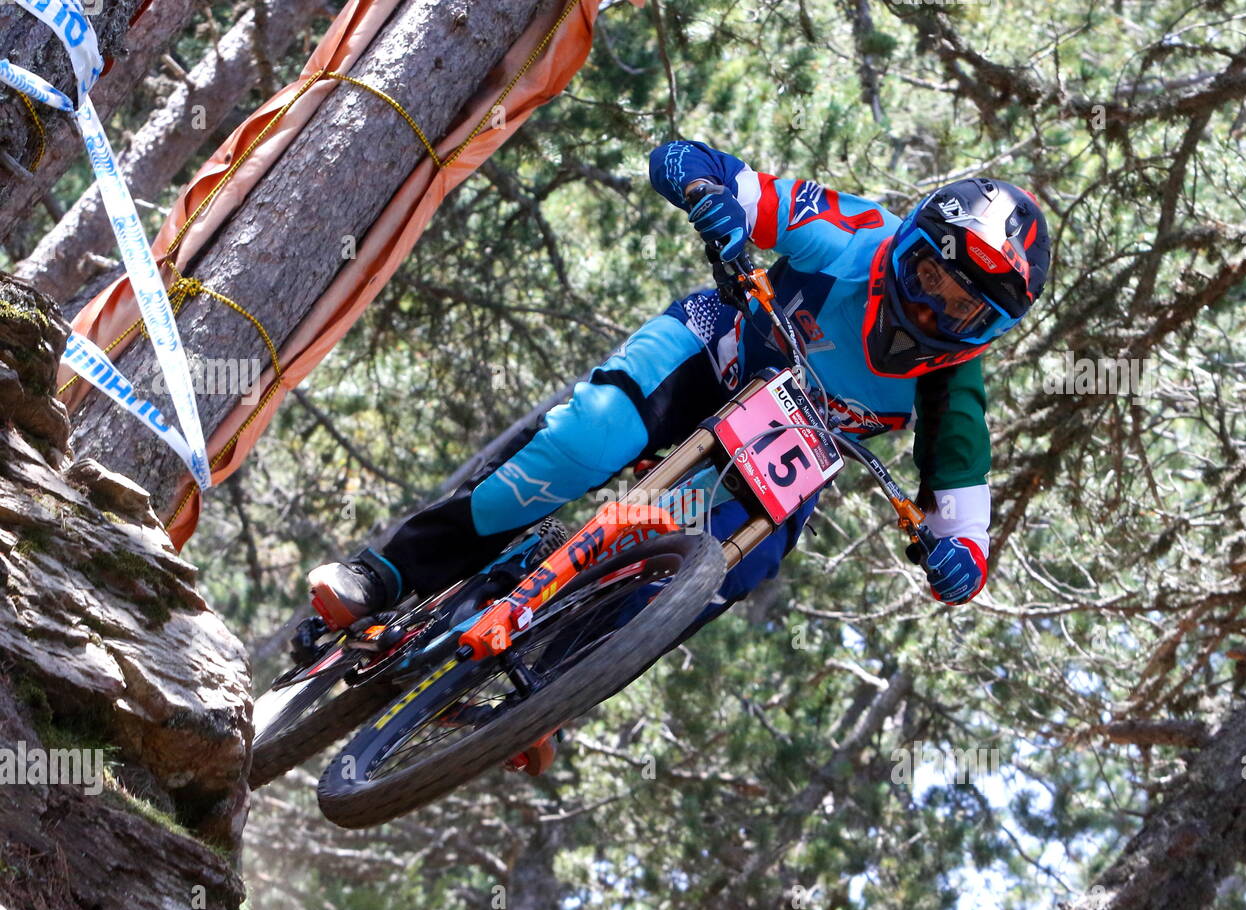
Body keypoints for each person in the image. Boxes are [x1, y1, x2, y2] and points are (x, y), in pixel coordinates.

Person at [306, 139, 1051, 629]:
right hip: (711, 352)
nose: (930, 307)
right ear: (909, 241)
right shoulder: (849, 233)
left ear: (986, 330)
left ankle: (545, 687)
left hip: (776, 457)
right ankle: (388, 572)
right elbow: (687, 159)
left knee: (725, 569)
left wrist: (959, 565)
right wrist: (709, 199)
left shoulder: (955, 387)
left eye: (959, 306)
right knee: (583, 439)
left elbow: (965, 523)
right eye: (929, 275)